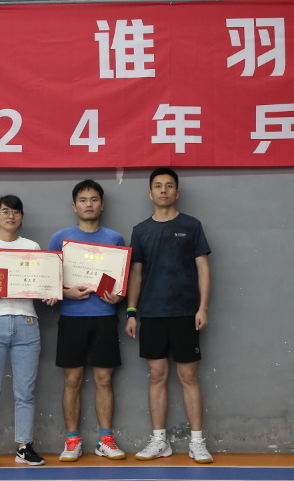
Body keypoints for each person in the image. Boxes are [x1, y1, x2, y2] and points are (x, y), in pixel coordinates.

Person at [125, 168, 214, 464]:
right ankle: (159, 441)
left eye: (169, 185)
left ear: (177, 192)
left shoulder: (191, 225)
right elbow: (136, 274)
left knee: (188, 376)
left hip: (186, 313)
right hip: (152, 314)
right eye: (158, 186)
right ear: (150, 193)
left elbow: (203, 268)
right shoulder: (140, 230)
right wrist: (132, 312)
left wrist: (202, 308)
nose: (163, 190)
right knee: (157, 375)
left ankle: (197, 442)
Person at [0, 195, 58, 469]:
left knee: (25, 392)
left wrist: (49, 292)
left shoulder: (32, 247)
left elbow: (40, 282)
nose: (11, 216)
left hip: (26, 323)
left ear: (21, 217)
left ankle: (24, 447)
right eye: (5, 211)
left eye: (16, 212)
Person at [47, 180, 127, 462]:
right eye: (83, 200)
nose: (88, 204)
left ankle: (105, 440)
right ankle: (72, 441)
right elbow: (49, 281)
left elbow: (122, 282)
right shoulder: (60, 238)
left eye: (94, 199)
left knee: (105, 379)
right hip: (72, 319)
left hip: (105, 318)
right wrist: (66, 292)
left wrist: (118, 297)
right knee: (73, 380)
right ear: (74, 206)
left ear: (102, 205)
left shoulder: (115, 239)